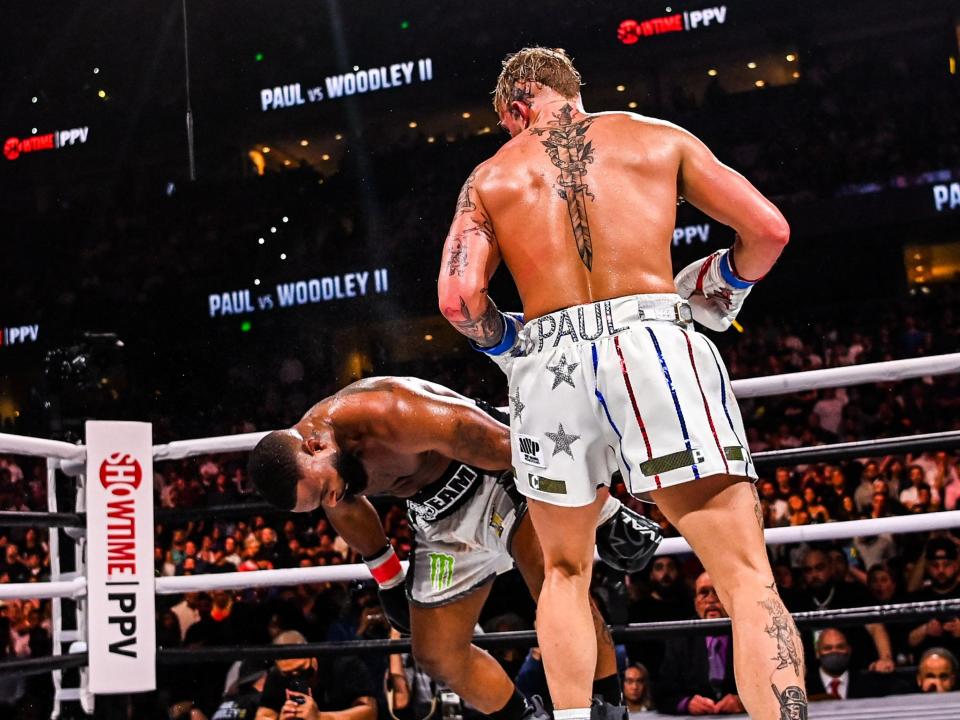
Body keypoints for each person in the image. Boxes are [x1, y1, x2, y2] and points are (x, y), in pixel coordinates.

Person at [436, 46, 803, 720]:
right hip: (654, 342)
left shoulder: (489, 177)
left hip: (549, 370)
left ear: (518, 103)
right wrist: (720, 287)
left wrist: (512, 343)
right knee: (746, 577)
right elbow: (769, 230)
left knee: (566, 574)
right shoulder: (658, 138)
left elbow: (458, 300)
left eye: (505, 121)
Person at [247, 376, 661, 720]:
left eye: (324, 491)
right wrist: (389, 579)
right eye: (318, 503)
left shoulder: (389, 411)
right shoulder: (323, 464)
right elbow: (346, 506)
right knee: (437, 653)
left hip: (498, 477)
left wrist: (600, 507)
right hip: (436, 519)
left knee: (559, 589)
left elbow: (501, 441)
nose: (331, 501)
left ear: (317, 447)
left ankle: (607, 710)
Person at [655, 572, 743, 715]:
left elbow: (771, 686)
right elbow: (662, 694)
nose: (711, 599)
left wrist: (743, 701)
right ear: (696, 602)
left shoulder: (747, 635)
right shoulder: (680, 639)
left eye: (717, 591)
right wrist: (687, 704)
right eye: (704, 593)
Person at [255, 630, 376, 720]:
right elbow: (263, 714)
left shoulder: (344, 664)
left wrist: (320, 717)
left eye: (300, 668)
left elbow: (370, 712)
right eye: (288, 673)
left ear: (311, 654)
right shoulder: (276, 675)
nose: (296, 675)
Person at [805, 628, 886, 700]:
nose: (834, 652)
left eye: (840, 647)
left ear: (849, 650)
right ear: (818, 652)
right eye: (828, 648)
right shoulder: (804, 686)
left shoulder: (869, 684)